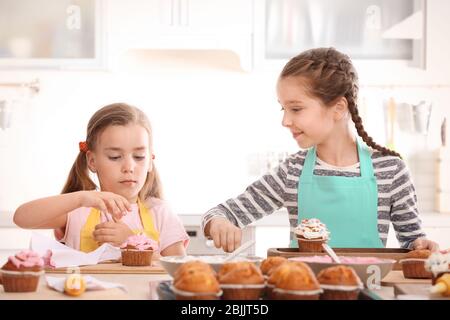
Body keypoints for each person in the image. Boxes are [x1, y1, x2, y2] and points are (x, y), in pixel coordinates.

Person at [201, 47, 439, 253]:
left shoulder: (390, 171)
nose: (285, 121)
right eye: (283, 109)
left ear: (338, 107)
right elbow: (219, 213)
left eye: (295, 109)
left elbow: (412, 244)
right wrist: (218, 223)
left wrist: (421, 245)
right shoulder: (291, 173)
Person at [14, 103, 189, 256]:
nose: (129, 167)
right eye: (114, 157)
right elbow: (22, 218)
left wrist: (133, 242)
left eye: (139, 156)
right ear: (92, 161)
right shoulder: (80, 209)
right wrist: (80, 198)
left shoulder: (160, 212)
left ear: (150, 160)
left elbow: (179, 268)